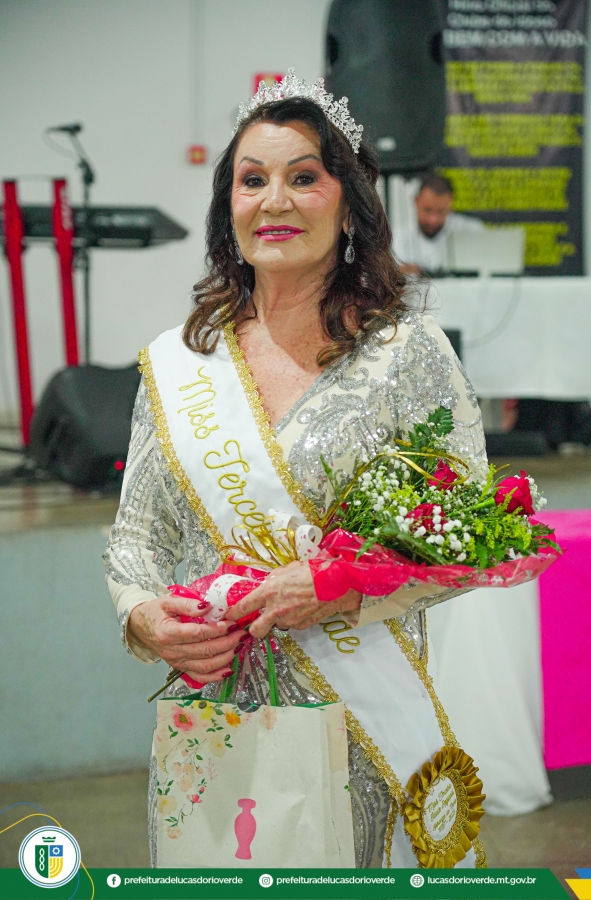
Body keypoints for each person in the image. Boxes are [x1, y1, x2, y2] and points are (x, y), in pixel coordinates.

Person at [104, 71, 488, 869]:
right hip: (214, 729)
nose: (274, 200)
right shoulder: (180, 363)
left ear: (349, 205)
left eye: (303, 177)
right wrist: (144, 621)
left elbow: (473, 536)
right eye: (252, 180)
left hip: (363, 736)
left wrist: (341, 585)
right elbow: (136, 539)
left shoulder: (406, 354)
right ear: (229, 208)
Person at [393, 173, 484, 275]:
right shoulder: (397, 239)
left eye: (441, 211)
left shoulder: (472, 231)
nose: (433, 220)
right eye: (428, 210)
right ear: (416, 201)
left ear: (451, 202)